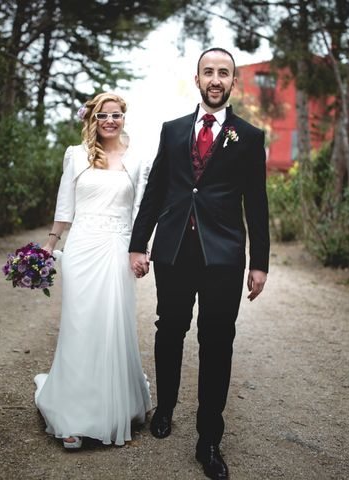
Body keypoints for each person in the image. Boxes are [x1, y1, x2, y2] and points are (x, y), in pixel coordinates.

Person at [129, 48, 269, 479]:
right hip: (173, 250)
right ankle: (166, 408)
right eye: (208, 71)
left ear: (232, 82)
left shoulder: (248, 136)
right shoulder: (171, 131)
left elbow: (257, 204)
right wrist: (139, 244)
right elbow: (155, 192)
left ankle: (209, 438)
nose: (215, 79)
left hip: (224, 256)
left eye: (223, 73)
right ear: (197, 79)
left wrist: (259, 262)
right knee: (169, 329)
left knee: (217, 342)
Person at [34, 92, 152, 449]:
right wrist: (50, 244)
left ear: (124, 118)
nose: (111, 121)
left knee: (111, 325)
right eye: (104, 115)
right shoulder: (76, 155)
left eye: (117, 115)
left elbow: (140, 213)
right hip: (82, 250)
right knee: (79, 325)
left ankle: (114, 404)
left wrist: (141, 252)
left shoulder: (137, 161)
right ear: (93, 119)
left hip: (117, 251)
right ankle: (71, 414)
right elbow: (65, 206)